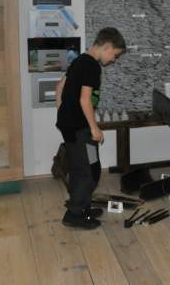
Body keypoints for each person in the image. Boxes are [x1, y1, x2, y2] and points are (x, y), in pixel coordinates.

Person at [56, 27, 126, 229]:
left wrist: (63, 113)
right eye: (114, 55)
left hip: (70, 125)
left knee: (88, 167)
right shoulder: (92, 66)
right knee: (86, 171)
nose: (113, 60)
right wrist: (94, 128)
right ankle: (74, 214)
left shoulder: (79, 60)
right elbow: (85, 100)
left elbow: (59, 87)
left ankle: (83, 206)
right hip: (80, 128)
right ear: (107, 46)